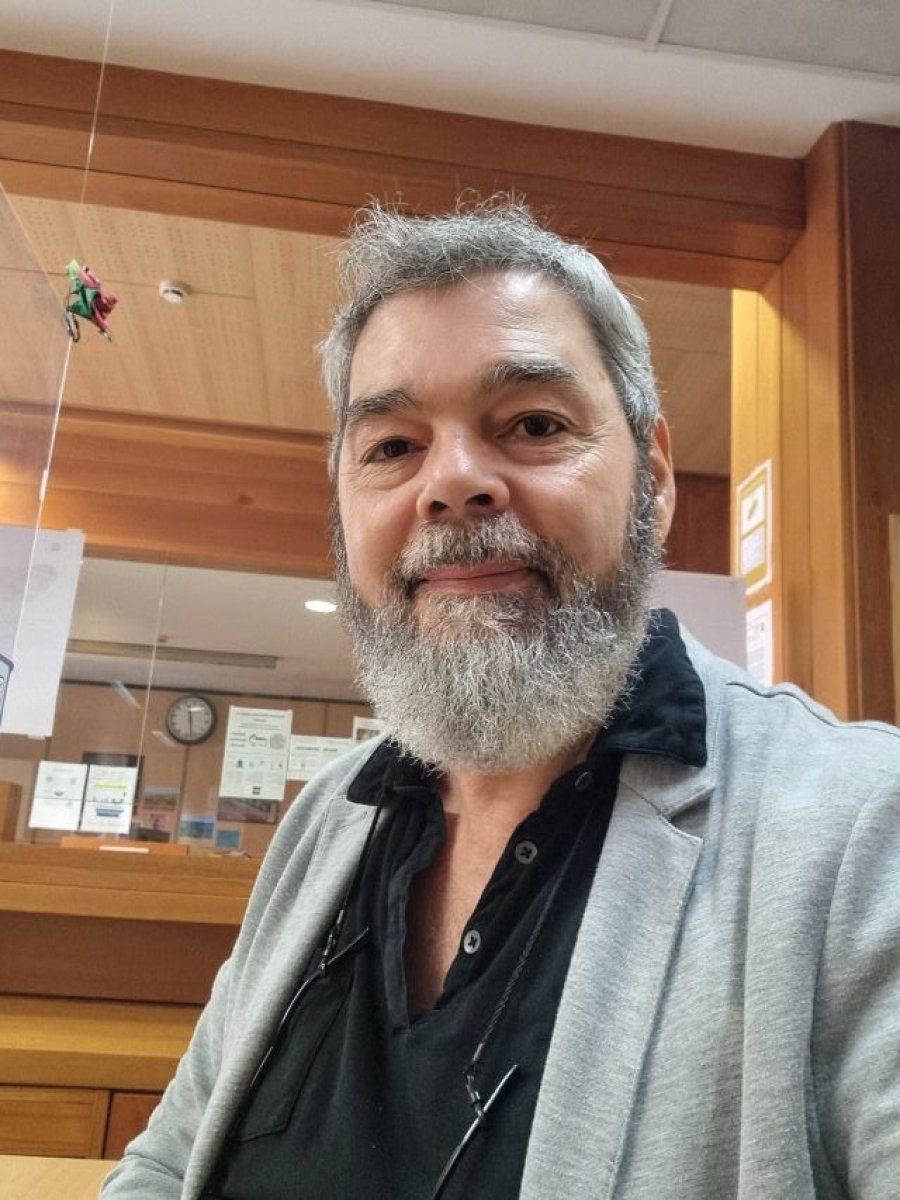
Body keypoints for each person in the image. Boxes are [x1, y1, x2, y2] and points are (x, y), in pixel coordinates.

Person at [101, 201, 900, 1199]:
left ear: (653, 481)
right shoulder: (327, 819)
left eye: (533, 425)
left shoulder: (860, 827)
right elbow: (168, 1160)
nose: (453, 484)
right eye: (393, 446)